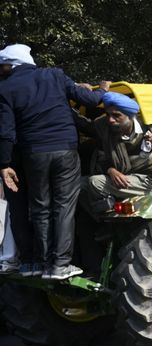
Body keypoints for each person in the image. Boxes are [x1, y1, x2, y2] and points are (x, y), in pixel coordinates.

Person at [0, 44, 108, 279]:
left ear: (11, 65)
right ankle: (60, 265)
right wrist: (102, 90)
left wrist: (5, 163)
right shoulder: (55, 75)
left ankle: (40, 264)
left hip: (33, 154)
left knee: (40, 208)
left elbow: (6, 132)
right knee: (64, 207)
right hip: (65, 151)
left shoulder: (5, 87)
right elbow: (88, 99)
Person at [80, 92, 152, 207]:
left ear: (130, 116)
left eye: (116, 115)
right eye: (108, 115)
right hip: (121, 176)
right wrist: (111, 170)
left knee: (95, 182)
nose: (111, 120)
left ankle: (110, 213)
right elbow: (102, 159)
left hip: (146, 179)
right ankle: (97, 220)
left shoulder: (148, 124)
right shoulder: (106, 131)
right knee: (77, 185)